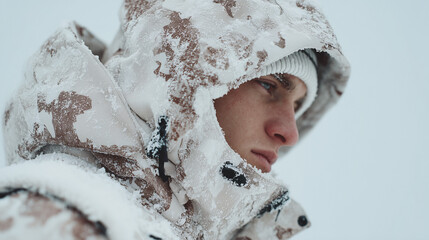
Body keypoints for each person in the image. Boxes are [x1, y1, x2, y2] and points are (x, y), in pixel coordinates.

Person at [0, 0, 350, 239]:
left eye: (299, 105)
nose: (290, 133)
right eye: (268, 84)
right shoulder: (53, 219)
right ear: (179, 79)